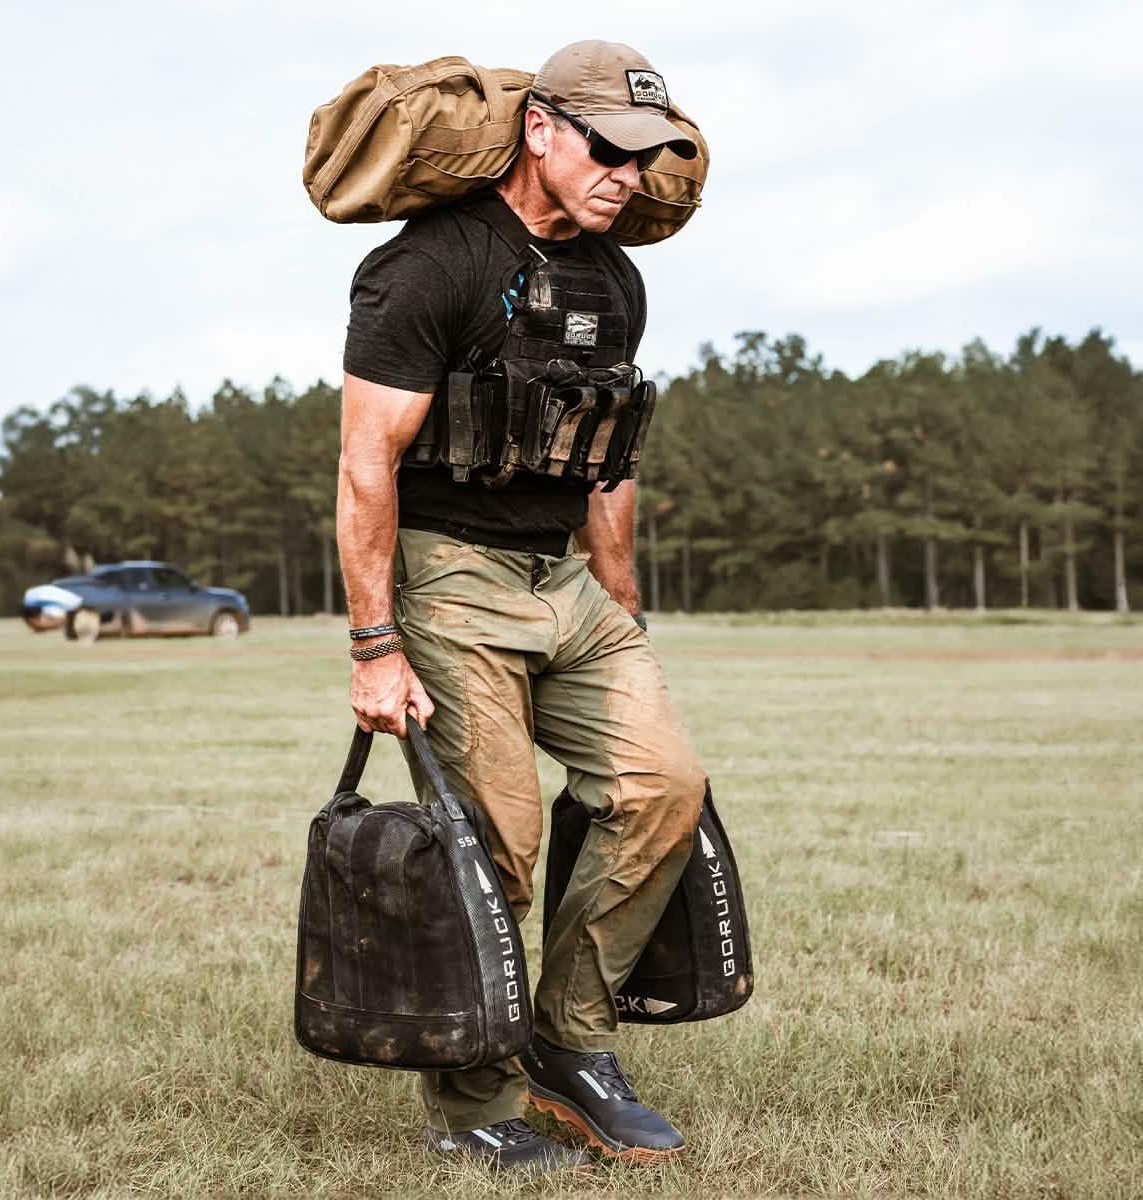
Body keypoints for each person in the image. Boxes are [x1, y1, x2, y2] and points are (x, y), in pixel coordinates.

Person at [337, 39, 705, 1172]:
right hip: (451, 577)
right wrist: (375, 645)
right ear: (539, 129)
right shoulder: (427, 267)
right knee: (496, 837)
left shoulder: (615, 280)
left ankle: (569, 1044)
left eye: (644, 158)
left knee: (662, 788)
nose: (627, 177)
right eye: (609, 151)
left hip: (566, 583)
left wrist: (621, 602)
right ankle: (475, 1105)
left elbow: (607, 457)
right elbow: (365, 463)